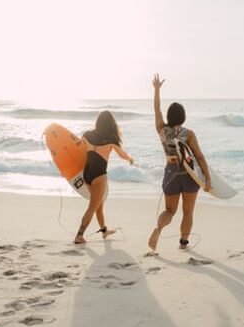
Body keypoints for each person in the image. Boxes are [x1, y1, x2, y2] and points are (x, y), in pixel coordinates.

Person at [147, 74, 211, 252]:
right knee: (188, 212)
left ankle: (158, 229)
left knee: (170, 211)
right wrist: (207, 179)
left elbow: (156, 109)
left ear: (169, 116)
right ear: (183, 117)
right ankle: (183, 243)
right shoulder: (188, 133)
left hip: (170, 173)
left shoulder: (162, 130)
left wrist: (157, 90)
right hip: (188, 175)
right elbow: (199, 156)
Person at [74, 111, 134, 244]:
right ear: (112, 123)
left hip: (87, 174)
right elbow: (122, 154)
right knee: (93, 206)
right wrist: (130, 159)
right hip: (99, 175)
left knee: (98, 204)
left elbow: (77, 146)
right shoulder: (111, 138)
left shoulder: (87, 134)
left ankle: (104, 231)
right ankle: (79, 235)